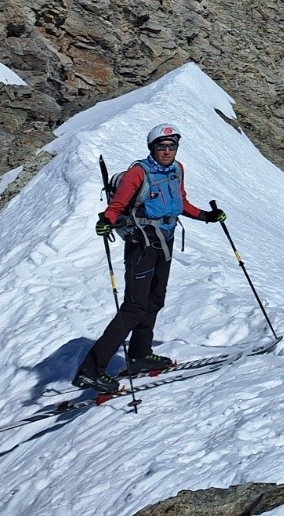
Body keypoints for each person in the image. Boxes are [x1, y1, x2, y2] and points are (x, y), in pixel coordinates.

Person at [72, 123, 227, 393]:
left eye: (171, 146)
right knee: (133, 307)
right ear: (152, 148)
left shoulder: (177, 170)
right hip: (141, 245)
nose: (167, 151)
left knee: (155, 300)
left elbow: (181, 203)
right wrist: (106, 221)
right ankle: (90, 370)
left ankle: (139, 354)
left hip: (164, 241)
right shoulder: (138, 173)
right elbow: (117, 206)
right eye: (161, 146)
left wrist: (206, 216)